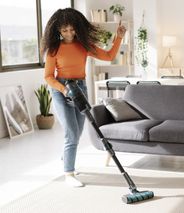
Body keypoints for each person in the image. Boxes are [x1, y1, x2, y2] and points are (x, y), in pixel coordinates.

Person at [41, 8, 126, 187]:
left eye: (72, 29)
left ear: (77, 28)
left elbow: (109, 56)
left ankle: (66, 158)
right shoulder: (53, 49)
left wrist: (119, 37)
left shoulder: (83, 45)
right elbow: (48, 76)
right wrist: (63, 90)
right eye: (64, 30)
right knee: (71, 133)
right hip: (61, 90)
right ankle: (69, 173)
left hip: (80, 88)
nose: (69, 33)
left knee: (78, 132)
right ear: (58, 29)